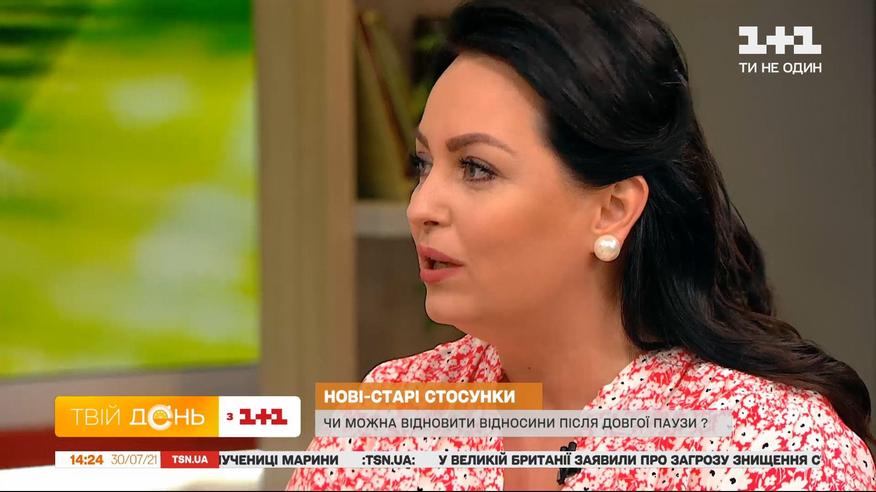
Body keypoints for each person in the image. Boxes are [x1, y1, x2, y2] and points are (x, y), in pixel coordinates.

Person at [288, 0, 876, 489]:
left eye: (476, 168)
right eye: (423, 164)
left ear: (612, 209)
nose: (420, 208)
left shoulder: (778, 452)